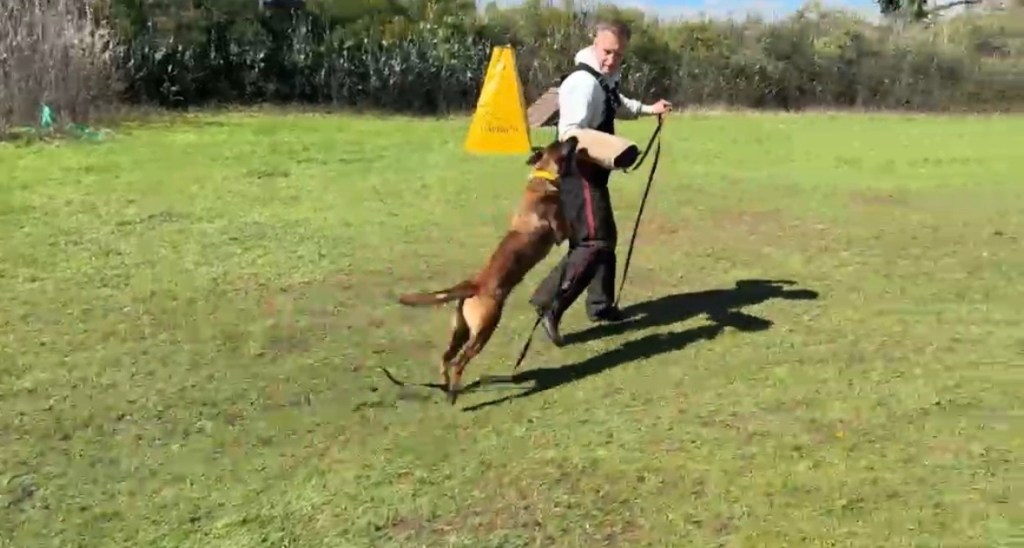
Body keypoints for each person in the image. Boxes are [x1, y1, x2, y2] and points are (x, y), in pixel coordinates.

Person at [528, 19, 672, 347]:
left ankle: (600, 305)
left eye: (618, 55)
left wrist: (650, 109)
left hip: (592, 172)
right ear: (595, 43)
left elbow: (617, 104)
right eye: (607, 52)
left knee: (605, 239)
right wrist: (612, 149)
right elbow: (570, 132)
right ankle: (550, 301)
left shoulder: (603, 79)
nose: (611, 59)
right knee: (595, 241)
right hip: (577, 170)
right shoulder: (582, 83)